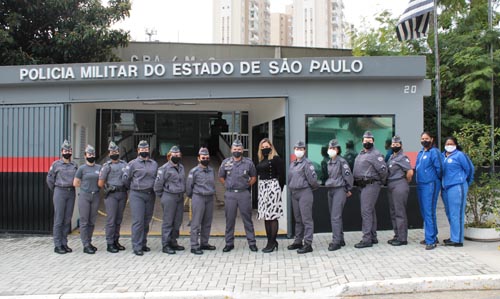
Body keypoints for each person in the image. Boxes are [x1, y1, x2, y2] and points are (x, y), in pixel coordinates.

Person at [218, 139, 258, 252]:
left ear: (242, 150)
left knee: (247, 219)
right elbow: (221, 176)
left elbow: (254, 177)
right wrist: (226, 184)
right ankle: (229, 243)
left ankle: (252, 243)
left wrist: (246, 185)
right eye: (235, 149)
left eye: (239, 149)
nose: (237, 151)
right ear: (231, 150)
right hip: (230, 194)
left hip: (243, 193)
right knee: (230, 220)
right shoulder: (226, 162)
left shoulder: (248, 163)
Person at [122, 140, 158, 256]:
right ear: (138, 151)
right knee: (138, 221)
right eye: (142, 149)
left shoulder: (154, 164)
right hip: (137, 194)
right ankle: (136, 246)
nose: (144, 151)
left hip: (150, 194)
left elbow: (157, 178)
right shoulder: (132, 164)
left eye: (146, 149)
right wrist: (133, 189)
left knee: (146, 220)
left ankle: (143, 243)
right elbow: (126, 180)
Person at [353, 131, 388, 249]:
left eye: (369, 140)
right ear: (362, 141)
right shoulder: (362, 153)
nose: (367, 142)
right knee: (370, 211)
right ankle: (373, 236)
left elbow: (383, 170)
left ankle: (366, 239)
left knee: (366, 211)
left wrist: (379, 183)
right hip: (362, 185)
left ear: (373, 141)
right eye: (365, 140)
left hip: (371, 184)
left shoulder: (376, 154)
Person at [287, 140, 320, 254]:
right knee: (298, 219)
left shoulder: (307, 164)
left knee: (306, 219)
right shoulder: (293, 163)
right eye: (297, 149)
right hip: (294, 193)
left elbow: (313, 180)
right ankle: (298, 241)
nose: (298, 151)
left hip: (304, 192)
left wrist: (310, 188)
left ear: (304, 150)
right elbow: (290, 178)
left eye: (301, 149)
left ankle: (308, 243)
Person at [46, 140, 78, 254]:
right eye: (65, 150)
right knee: (59, 219)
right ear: (61, 152)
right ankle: (57, 244)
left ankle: (64, 243)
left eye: (69, 150)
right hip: (59, 191)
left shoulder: (74, 165)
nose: (67, 152)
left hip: (71, 192)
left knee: (67, 219)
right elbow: (50, 180)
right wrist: (56, 190)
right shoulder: (56, 165)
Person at [441, 136, 474, 247]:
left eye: (451, 143)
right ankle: (453, 236)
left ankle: (458, 240)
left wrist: (464, 182)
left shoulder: (460, 155)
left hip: (457, 187)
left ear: (455, 144)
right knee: (449, 213)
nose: (449, 146)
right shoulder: (442, 156)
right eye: (447, 143)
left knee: (457, 213)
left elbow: (469, 169)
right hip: (445, 188)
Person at [154, 145, 186, 254]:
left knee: (177, 221)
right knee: (168, 221)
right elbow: (158, 185)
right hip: (169, 197)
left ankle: (173, 241)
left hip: (179, 197)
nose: (176, 156)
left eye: (178, 155)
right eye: (174, 155)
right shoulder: (164, 169)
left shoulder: (181, 167)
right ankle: (166, 244)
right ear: (169, 156)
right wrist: (163, 196)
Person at [98, 141, 128, 253]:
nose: (114, 153)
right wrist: (108, 187)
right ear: (109, 153)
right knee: (111, 219)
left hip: (122, 193)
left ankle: (116, 240)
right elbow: (100, 183)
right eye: (112, 151)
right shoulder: (106, 166)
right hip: (111, 195)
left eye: (115, 151)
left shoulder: (125, 164)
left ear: (118, 152)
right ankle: (110, 243)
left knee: (119, 219)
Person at [186, 147, 217, 255]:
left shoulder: (211, 170)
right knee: (196, 222)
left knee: (207, 222)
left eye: (207, 158)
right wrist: (193, 197)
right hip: (198, 197)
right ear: (199, 158)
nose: (205, 159)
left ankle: (204, 243)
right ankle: (194, 245)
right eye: (203, 157)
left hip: (209, 198)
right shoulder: (193, 171)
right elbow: (189, 187)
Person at [255, 138, 284, 253]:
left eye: (266, 147)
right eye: (262, 147)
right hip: (262, 188)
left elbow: (282, 175)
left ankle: (272, 242)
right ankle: (270, 241)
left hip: (272, 187)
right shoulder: (261, 159)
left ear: (271, 147)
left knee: (272, 216)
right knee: (266, 216)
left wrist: (277, 190)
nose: (265, 149)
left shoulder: (276, 159)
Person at [324, 139, 353, 251]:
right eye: (330, 148)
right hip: (331, 190)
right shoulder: (329, 162)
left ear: (338, 149)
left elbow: (348, 176)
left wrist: (347, 189)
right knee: (334, 216)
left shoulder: (342, 161)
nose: (332, 150)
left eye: (334, 148)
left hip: (339, 189)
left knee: (335, 217)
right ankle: (340, 239)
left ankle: (336, 242)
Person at [415, 131, 442, 250]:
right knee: (425, 211)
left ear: (431, 139)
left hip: (430, 184)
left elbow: (439, 168)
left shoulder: (434, 152)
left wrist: (434, 179)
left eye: (426, 138)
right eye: (422, 138)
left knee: (429, 211)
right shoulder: (421, 152)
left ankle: (430, 241)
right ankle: (433, 236)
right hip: (421, 184)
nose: (424, 140)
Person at [73, 145, 101, 254]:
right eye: (89, 154)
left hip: (96, 195)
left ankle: (89, 242)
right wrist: (85, 187)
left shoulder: (99, 167)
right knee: (84, 221)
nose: (91, 156)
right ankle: (85, 244)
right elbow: (76, 182)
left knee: (92, 221)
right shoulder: (82, 168)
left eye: (92, 154)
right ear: (85, 156)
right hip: (85, 196)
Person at [386, 136, 414, 246]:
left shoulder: (403, 157)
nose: (395, 146)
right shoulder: (392, 157)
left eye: (397, 144)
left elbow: (410, 172)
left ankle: (402, 238)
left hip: (399, 184)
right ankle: (397, 235)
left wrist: (405, 181)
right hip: (391, 185)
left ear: (401, 145)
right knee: (393, 212)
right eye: (393, 144)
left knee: (399, 212)